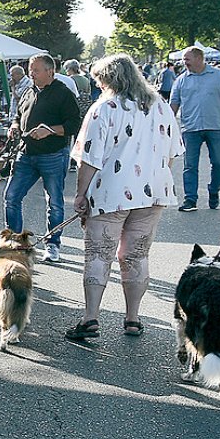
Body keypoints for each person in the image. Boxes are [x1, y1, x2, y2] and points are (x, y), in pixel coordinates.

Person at [63, 55, 181, 341]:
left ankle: (90, 317)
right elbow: (173, 153)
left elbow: (89, 158)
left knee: (99, 254)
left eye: (99, 80)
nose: (98, 85)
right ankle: (133, 318)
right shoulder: (160, 106)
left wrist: (80, 194)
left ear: (108, 79)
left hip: (110, 192)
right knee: (136, 255)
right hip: (152, 192)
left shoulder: (104, 107)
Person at [4, 54, 81, 261]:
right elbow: (19, 116)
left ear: (50, 71)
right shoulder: (28, 91)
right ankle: (14, 244)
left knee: (55, 202)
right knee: (11, 197)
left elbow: (75, 124)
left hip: (53, 154)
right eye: (30, 70)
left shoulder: (63, 93)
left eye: (36, 70)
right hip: (26, 153)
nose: (31, 74)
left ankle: (53, 244)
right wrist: (14, 126)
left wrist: (50, 130)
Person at [170, 45, 220, 212]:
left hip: (215, 127)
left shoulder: (219, 76)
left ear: (199, 58)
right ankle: (190, 199)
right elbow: (173, 104)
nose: (184, 62)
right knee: (190, 165)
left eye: (187, 59)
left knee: (219, 163)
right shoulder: (181, 80)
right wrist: (168, 125)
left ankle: (214, 191)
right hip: (190, 128)